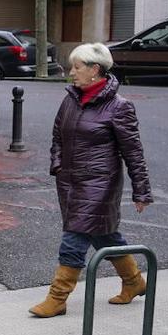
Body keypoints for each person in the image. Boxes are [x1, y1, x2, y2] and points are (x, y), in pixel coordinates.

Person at [30, 42, 153, 318]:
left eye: (77, 67)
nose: (71, 72)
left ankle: (57, 298)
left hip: (100, 183)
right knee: (103, 235)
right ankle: (134, 282)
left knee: (74, 237)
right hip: (70, 182)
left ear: (95, 70)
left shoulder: (119, 107)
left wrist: (141, 190)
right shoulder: (71, 99)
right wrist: (58, 165)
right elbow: (57, 136)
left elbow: (133, 151)